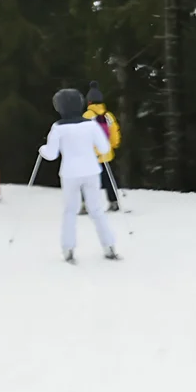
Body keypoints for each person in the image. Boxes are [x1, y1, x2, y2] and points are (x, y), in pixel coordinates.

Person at [39, 88, 118, 263]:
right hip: (92, 170)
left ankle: (68, 249)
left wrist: (42, 150)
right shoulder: (91, 125)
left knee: (70, 211)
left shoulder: (58, 128)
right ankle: (109, 246)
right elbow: (104, 148)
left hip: (69, 174)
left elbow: (51, 155)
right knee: (96, 210)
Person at [84, 83, 123, 211]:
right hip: (106, 153)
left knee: (87, 180)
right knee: (108, 180)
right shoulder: (108, 115)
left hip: (91, 155)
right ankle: (114, 202)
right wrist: (113, 146)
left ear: (89, 101)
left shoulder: (87, 116)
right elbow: (115, 132)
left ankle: (86, 205)